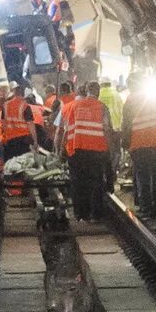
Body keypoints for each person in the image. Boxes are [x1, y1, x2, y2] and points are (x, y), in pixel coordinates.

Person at [59, 78, 112, 222]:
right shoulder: (102, 107)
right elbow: (107, 129)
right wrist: (109, 149)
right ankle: (96, 215)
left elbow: (67, 130)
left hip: (77, 150)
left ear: (87, 91)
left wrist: (63, 150)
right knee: (96, 182)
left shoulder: (74, 106)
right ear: (98, 92)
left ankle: (81, 215)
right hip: (96, 150)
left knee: (78, 183)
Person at [126, 76, 156, 217]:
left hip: (139, 143)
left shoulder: (130, 101)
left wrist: (126, 144)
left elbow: (126, 125)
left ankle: (146, 207)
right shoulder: (153, 99)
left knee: (142, 176)